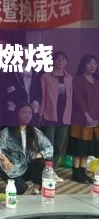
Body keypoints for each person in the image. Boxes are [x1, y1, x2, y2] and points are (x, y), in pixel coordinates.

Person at [0, 103, 53, 195]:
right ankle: (17, 186)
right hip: (12, 169)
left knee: (40, 162)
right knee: (20, 189)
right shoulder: (6, 132)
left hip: (27, 166)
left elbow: (49, 147)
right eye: (24, 112)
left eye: (29, 113)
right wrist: (5, 160)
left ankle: (36, 189)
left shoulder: (35, 131)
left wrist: (40, 154)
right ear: (17, 114)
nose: (27, 115)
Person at [40, 51, 73, 182]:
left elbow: (71, 98)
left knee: (59, 145)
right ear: (53, 61)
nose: (60, 61)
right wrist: (41, 113)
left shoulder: (69, 78)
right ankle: (46, 171)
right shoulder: (46, 76)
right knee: (49, 145)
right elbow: (42, 95)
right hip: (49, 114)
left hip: (64, 115)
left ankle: (53, 170)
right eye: (57, 59)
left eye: (63, 59)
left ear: (67, 62)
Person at [68, 54, 99, 184]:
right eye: (89, 63)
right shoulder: (77, 79)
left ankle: (83, 171)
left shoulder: (96, 81)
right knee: (79, 146)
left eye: (95, 63)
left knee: (87, 147)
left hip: (95, 119)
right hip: (80, 118)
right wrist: (87, 116)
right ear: (83, 65)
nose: (93, 66)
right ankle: (76, 172)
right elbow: (78, 99)